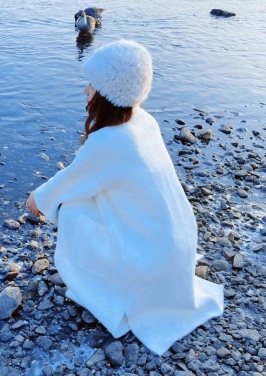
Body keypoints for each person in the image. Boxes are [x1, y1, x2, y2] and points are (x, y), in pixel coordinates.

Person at [26, 39, 224, 356]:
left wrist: (37, 198)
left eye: (92, 84)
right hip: (174, 248)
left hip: (151, 262)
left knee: (71, 208)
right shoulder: (143, 121)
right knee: (88, 194)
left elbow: (65, 184)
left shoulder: (109, 141)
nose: (85, 90)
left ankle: (105, 292)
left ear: (109, 94)